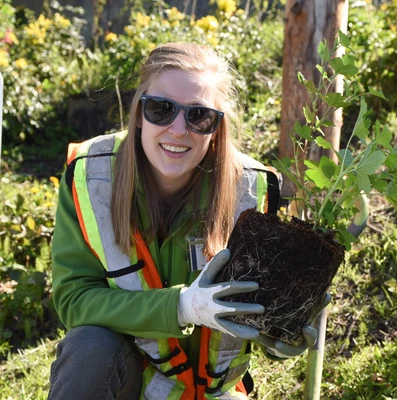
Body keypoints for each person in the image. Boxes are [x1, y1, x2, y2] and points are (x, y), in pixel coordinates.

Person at [48, 42, 329, 400]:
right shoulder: (92, 177)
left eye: (199, 116)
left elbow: (255, 309)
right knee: (89, 347)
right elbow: (75, 300)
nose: (179, 130)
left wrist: (279, 336)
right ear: (138, 113)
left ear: (217, 128)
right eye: (161, 109)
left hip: (212, 392)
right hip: (129, 383)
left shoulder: (251, 192)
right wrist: (181, 308)